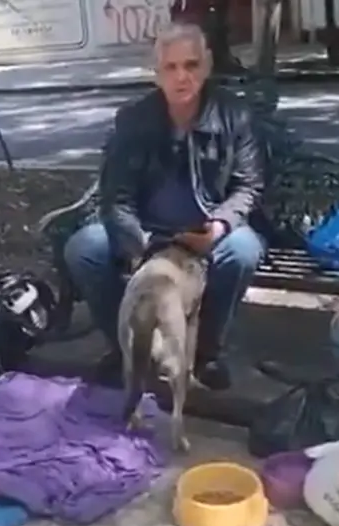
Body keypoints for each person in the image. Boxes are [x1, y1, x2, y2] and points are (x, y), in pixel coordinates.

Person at [63, 22, 267, 390]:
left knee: (244, 250)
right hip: (145, 231)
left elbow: (248, 187)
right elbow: (116, 195)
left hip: (205, 229)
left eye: (190, 66)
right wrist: (137, 246)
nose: (182, 77)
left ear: (205, 67)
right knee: (84, 249)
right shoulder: (134, 120)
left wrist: (220, 225)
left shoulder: (234, 116)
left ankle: (205, 356)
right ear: (157, 74)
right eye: (171, 68)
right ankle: (127, 347)